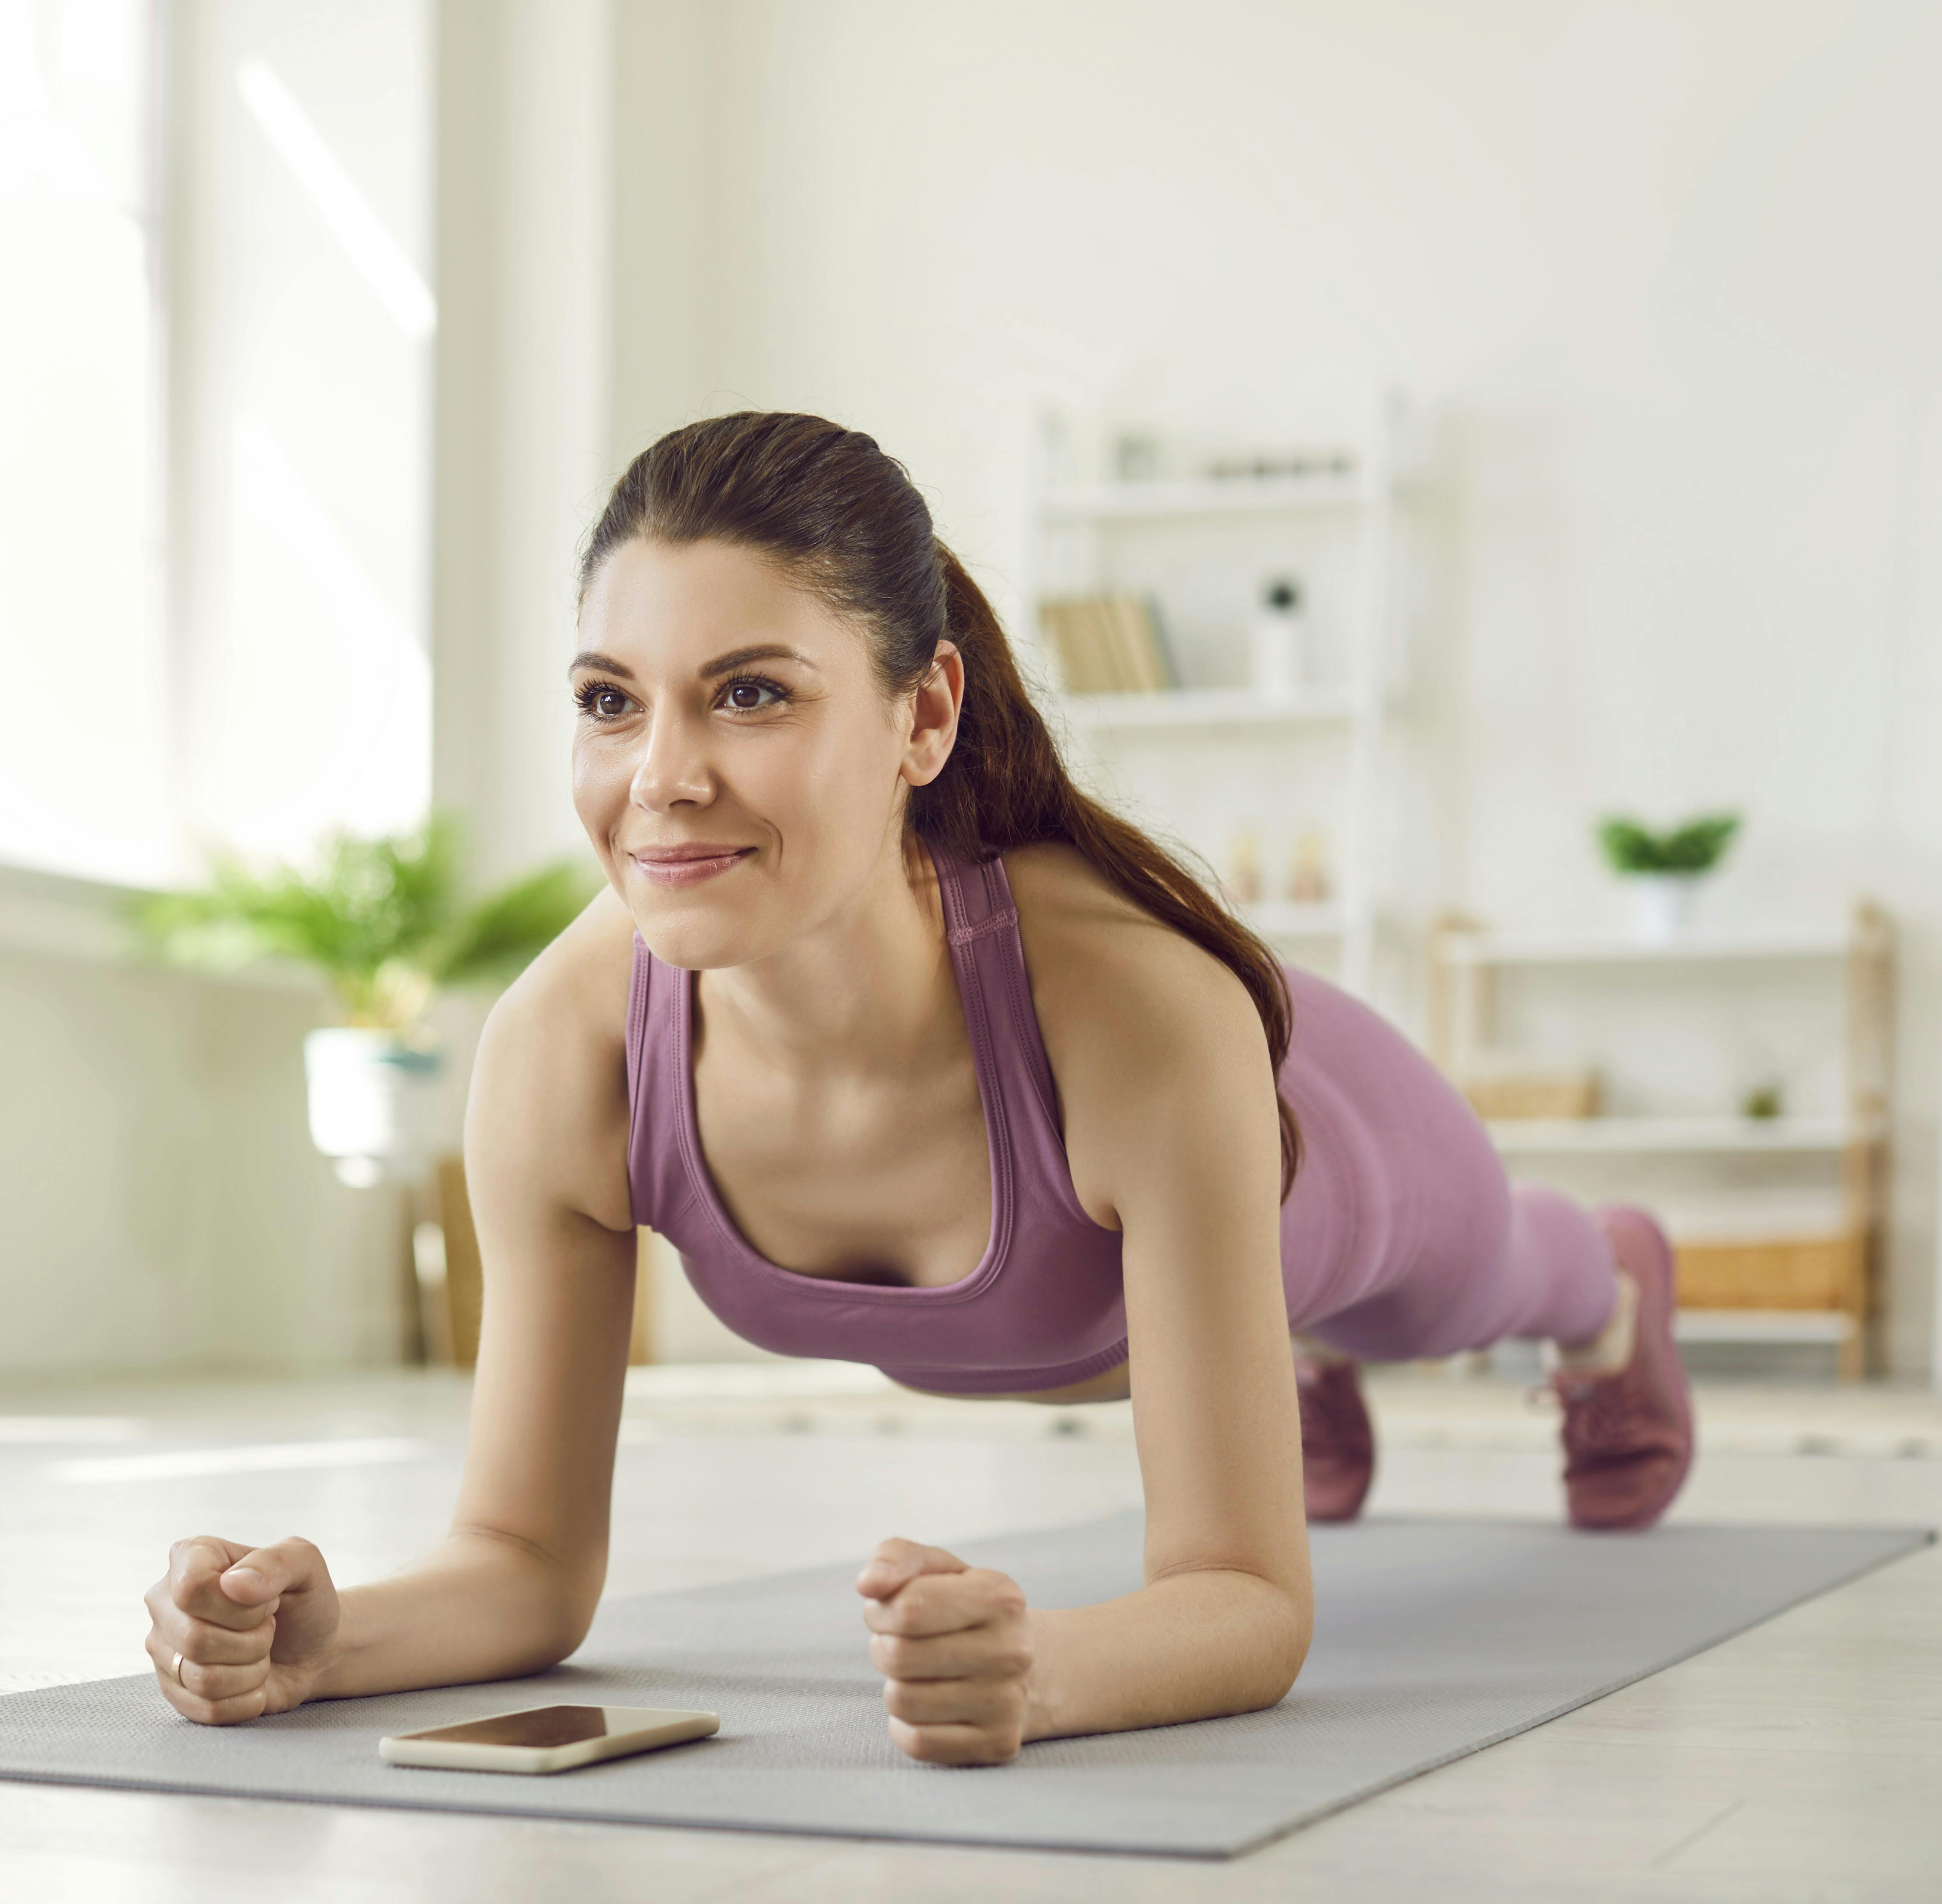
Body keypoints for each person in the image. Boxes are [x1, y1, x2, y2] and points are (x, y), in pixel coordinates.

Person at [142, 412, 1694, 1767]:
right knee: (1258, 1357)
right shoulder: (567, 1050)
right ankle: (1268, 1378)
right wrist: (328, 1642)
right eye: (612, 700)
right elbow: (526, 1561)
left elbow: (1248, 1599)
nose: (659, 778)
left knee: (1465, 1293)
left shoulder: (1146, 1017)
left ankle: (1606, 1286)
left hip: (1320, 1144)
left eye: (749, 695)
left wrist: (1050, 1670)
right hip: (1149, 1246)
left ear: (924, 715)